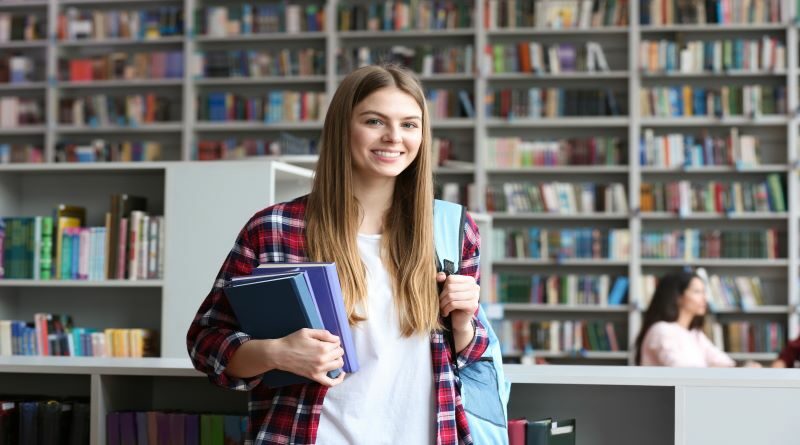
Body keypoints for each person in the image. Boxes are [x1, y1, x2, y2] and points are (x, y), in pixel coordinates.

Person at [186, 64, 488, 445]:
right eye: (375, 121)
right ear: (343, 127)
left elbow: (470, 355)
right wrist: (276, 353)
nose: (394, 137)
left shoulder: (453, 230)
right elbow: (206, 342)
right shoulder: (275, 227)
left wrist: (463, 324)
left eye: (410, 125)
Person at [634, 271, 736, 367]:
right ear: (678, 296)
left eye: (704, 292)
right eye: (697, 292)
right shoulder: (661, 330)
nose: (705, 299)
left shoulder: (694, 334)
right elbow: (682, 372)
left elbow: (727, 364)